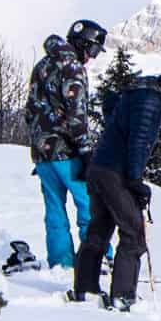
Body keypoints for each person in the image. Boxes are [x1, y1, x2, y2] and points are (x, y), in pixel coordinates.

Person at [70, 53, 161, 311]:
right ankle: (123, 295)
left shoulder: (141, 92)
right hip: (115, 173)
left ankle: (85, 289)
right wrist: (135, 181)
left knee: (100, 227)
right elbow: (138, 143)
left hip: (101, 168)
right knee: (134, 234)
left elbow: (112, 109)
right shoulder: (151, 101)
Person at [24, 19, 108, 268]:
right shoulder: (72, 67)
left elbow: (30, 110)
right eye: (92, 50)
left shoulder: (43, 64)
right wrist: (85, 150)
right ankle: (98, 260)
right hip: (68, 151)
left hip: (43, 152)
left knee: (54, 209)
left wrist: (39, 141)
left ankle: (61, 263)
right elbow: (76, 113)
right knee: (89, 205)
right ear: (83, 44)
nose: (91, 58)